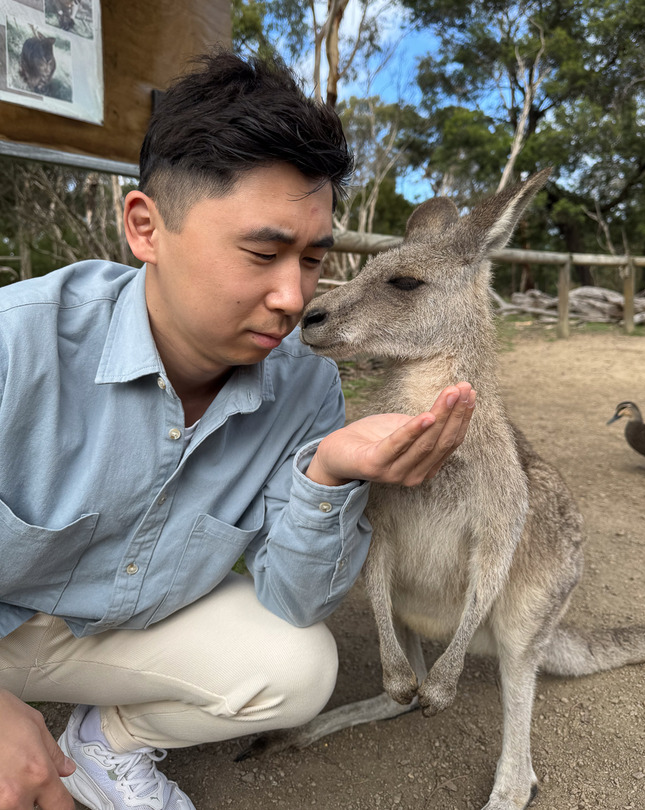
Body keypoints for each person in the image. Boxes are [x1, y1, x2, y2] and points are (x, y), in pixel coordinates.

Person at [0, 50, 476, 810]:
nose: (294, 296)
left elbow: (294, 600)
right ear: (145, 227)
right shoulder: (18, 342)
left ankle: (103, 743)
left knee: (298, 667)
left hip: (105, 630)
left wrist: (329, 473)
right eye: (263, 252)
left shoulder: (306, 387)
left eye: (314, 259)